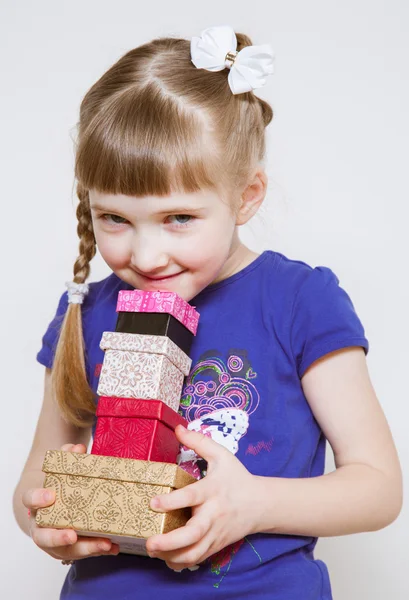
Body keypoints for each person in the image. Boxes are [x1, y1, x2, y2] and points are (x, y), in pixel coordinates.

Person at [13, 24, 402, 600]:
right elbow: (31, 489)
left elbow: (378, 489)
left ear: (246, 196)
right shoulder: (86, 311)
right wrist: (50, 520)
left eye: (179, 219)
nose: (144, 255)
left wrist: (253, 504)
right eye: (114, 218)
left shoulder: (298, 300)